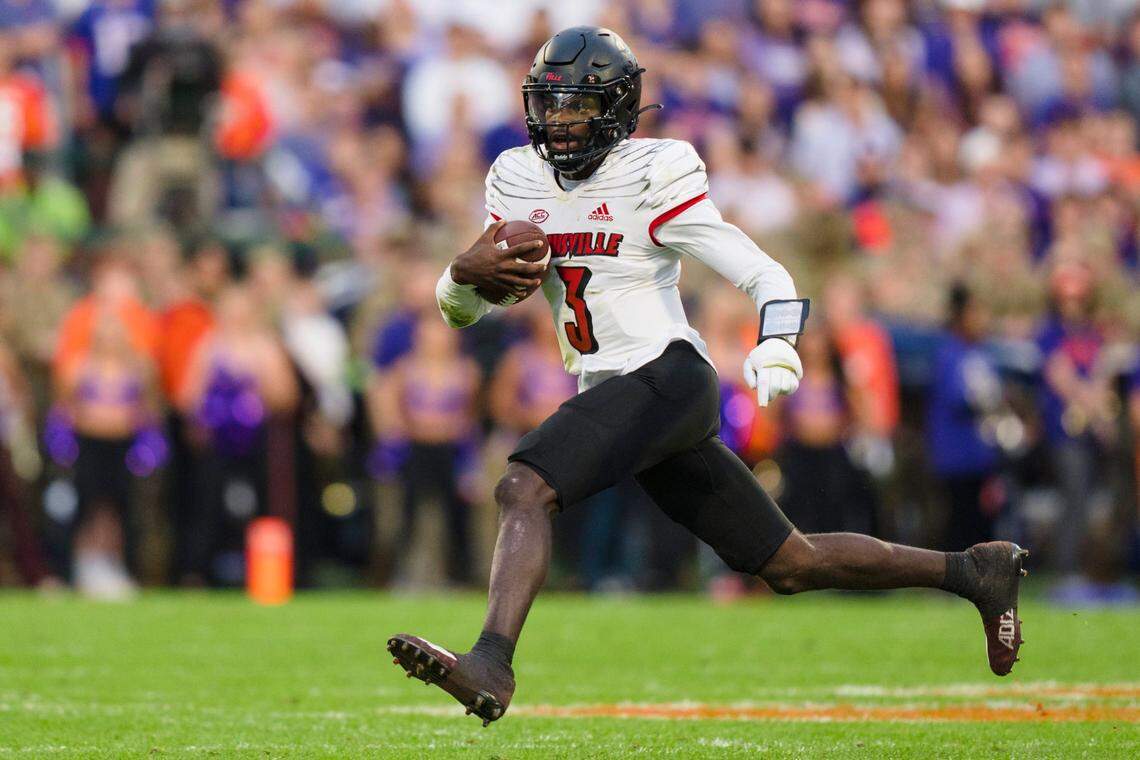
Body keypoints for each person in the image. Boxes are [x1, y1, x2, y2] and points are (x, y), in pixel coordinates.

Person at [389, 27, 1028, 727]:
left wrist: (778, 342)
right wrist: (457, 274)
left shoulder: (652, 170)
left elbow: (764, 272)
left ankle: (491, 662)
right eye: (550, 104)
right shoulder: (515, 176)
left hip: (668, 375)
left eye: (578, 105)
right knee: (791, 564)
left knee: (522, 486)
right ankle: (973, 570)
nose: (560, 122)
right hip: (612, 391)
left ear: (619, 109)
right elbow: (460, 312)